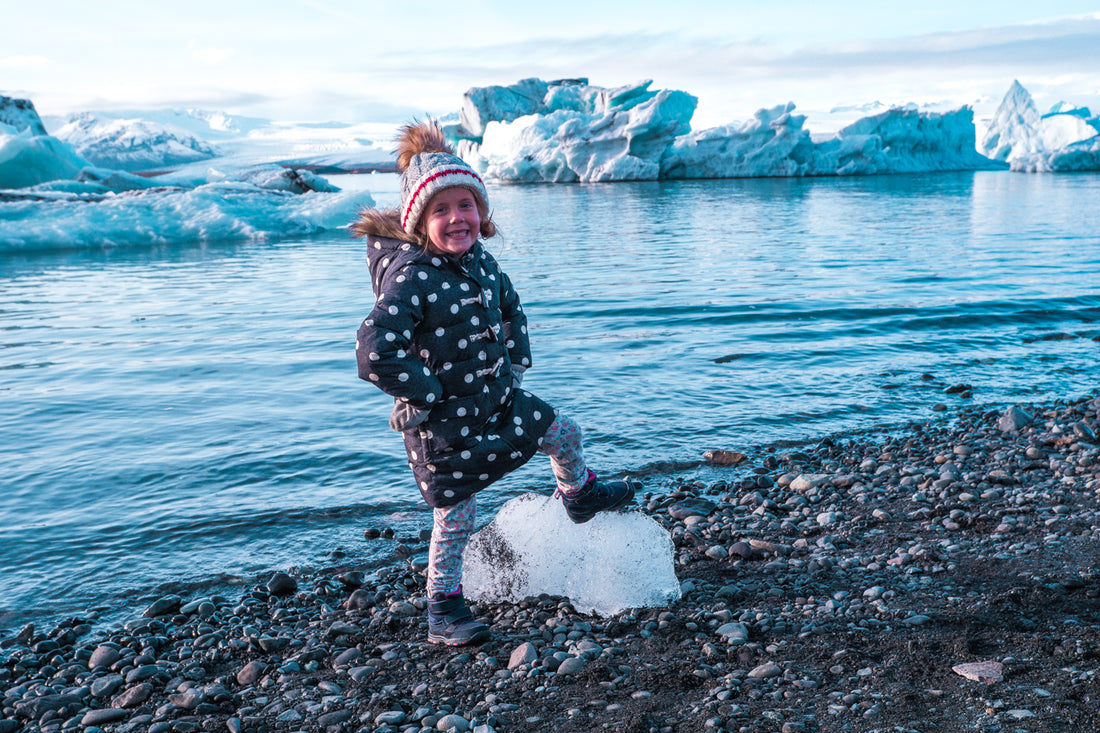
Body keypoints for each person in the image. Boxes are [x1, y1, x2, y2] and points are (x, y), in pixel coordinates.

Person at [352, 120, 637, 646]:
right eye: (441, 210)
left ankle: (579, 493)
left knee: (564, 432)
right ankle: (443, 608)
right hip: (443, 423)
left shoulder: (482, 261)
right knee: (455, 515)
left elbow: (511, 307)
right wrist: (421, 391)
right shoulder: (411, 277)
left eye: (466, 205)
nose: (457, 218)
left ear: (481, 212)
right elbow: (373, 351)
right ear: (418, 221)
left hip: (498, 397)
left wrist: (517, 362)